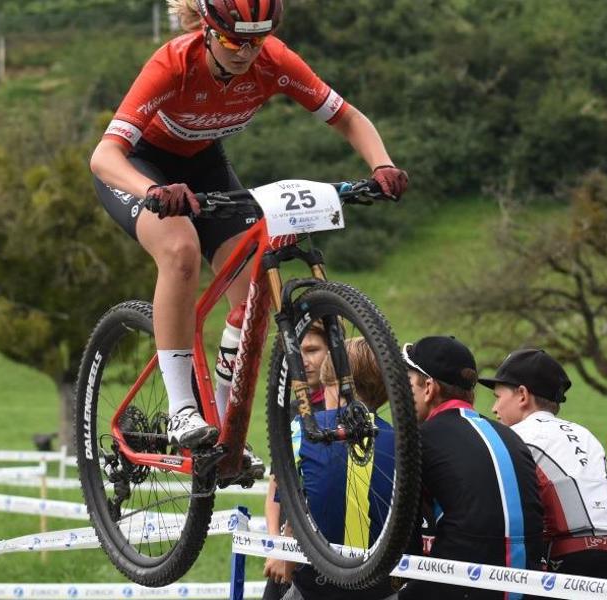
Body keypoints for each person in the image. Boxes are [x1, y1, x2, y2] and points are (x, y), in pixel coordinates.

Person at [89, 0, 408, 453]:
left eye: (255, 42)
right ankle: (181, 408)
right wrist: (151, 192)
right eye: (233, 41)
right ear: (207, 30)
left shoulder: (274, 61)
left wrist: (383, 165)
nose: (245, 53)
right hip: (140, 169)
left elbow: (347, 117)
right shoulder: (172, 64)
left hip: (204, 164)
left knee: (251, 293)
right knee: (180, 250)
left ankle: (220, 427)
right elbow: (103, 157)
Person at [399, 336, 543, 600]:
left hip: (464, 582)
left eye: (408, 385)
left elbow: (403, 534)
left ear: (429, 388)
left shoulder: (420, 437)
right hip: (529, 585)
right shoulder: (510, 435)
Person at [266, 337, 398, 600]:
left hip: (316, 583)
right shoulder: (402, 441)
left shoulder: (303, 427)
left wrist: (284, 551)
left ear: (335, 386)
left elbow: (291, 499)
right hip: (379, 586)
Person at [481, 349, 607, 578]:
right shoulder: (585, 434)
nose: (494, 409)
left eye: (498, 397)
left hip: (567, 561)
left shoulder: (516, 436)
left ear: (522, 395)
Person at [263, 320, 331, 587]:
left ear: (332, 353)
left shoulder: (345, 412)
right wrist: (274, 544)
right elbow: (274, 488)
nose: (303, 361)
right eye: (297, 352)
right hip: (284, 549)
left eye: (312, 350)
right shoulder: (287, 412)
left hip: (321, 551)